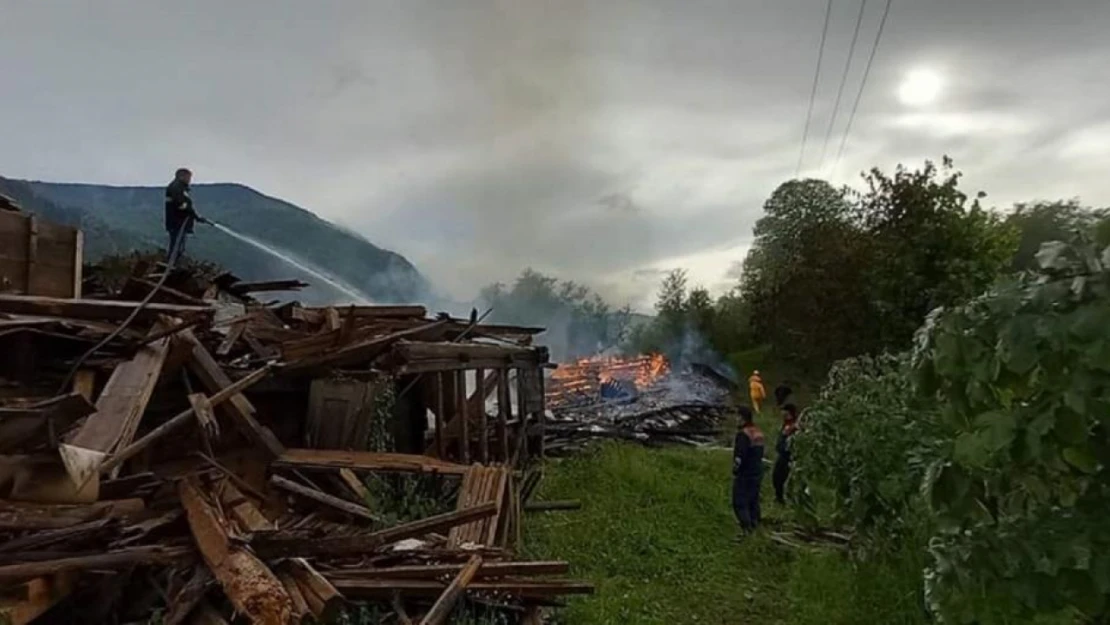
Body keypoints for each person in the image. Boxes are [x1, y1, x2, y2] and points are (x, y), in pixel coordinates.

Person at [731, 406, 765, 533]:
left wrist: (735, 471)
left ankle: (747, 530)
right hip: (757, 472)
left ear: (742, 418)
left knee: (740, 502)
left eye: (737, 417)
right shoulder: (758, 432)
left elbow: (739, 457)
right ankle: (756, 525)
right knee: (753, 501)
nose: (736, 419)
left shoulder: (743, 435)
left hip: (745, 474)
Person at [164, 167, 206, 264]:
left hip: (180, 223)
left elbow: (185, 205)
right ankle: (170, 266)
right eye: (188, 177)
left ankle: (173, 265)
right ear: (182, 176)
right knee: (176, 247)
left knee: (179, 247)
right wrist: (194, 215)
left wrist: (195, 216)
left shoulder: (181, 189)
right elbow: (181, 205)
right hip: (177, 223)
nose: (189, 180)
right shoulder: (176, 188)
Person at [773, 403, 800, 504]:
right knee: (776, 477)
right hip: (782, 453)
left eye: (783, 410)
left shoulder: (794, 425)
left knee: (784, 477)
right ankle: (779, 497)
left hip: (788, 455)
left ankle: (786, 499)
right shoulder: (786, 423)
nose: (781, 413)